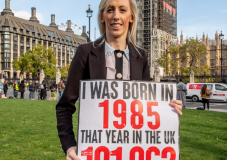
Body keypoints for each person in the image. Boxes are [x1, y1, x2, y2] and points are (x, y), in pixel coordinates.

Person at [56, 0, 183, 159]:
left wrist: (168, 108)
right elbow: (64, 107)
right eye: (110, 10)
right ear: (102, 16)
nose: (116, 16)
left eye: (122, 10)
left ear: (131, 17)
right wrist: (69, 146)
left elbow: (146, 107)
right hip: (95, 153)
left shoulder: (141, 56)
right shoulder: (85, 52)